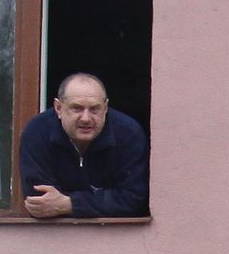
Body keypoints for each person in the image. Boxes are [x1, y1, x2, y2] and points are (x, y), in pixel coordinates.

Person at [19, 73, 149, 218]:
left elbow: (134, 200)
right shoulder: (36, 132)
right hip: (55, 238)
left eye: (94, 109)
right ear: (58, 108)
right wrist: (103, 200)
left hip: (115, 237)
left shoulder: (128, 134)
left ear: (105, 108)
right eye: (77, 108)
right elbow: (38, 203)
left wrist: (70, 204)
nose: (86, 118)